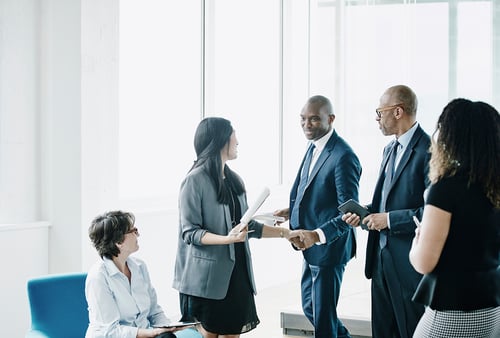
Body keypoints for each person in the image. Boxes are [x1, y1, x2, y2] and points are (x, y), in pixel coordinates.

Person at [172, 117, 295, 338]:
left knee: (232, 334)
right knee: (209, 334)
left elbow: (247, 227)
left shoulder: (234, 180)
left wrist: (285, 233)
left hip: (236, 272)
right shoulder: (194, 180)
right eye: (233, 135)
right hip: (205, 279)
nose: (237, 141)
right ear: (220, 140)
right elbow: (189, 233)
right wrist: (227, 239)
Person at [342, 85, 429, 338]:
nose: (377, 118)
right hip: (379, 263)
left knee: (410, 331)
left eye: (380, 111)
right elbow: (383, 203)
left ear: (398, 111)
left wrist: (388, 220)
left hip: (409, 265)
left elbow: (432, 214)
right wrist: (365, 213)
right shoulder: (389, 149)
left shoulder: (430, 151)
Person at [409, 98, 500, 337]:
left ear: (451, 137)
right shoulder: (494, 187)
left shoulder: (447, 188)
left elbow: (423, 263)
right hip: (492, 308)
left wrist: (417, 241)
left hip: (452, 309)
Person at [274, 95, 362, 338]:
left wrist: (318, 235)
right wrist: (292, 212)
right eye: (302, 119)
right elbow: (313, 190)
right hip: (308, 245)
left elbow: (350, 211)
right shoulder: (314, 146)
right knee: (311, 308)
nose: (307, 124)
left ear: (331, 119)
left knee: (323, 317)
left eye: (314, 119)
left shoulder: (344, 155)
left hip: (329, 247)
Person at [85, 210, 201, 338]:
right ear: (119, 242)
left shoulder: (139, 267)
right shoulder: (98, 277)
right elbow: (110, 331)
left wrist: (168, 327)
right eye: (133, 231)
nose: (138, 234)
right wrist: (151, 333)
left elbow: (154, 311)